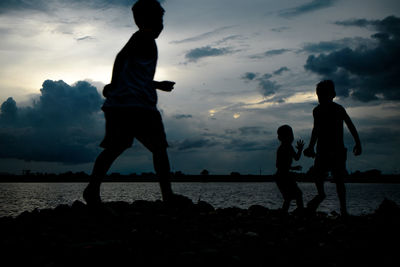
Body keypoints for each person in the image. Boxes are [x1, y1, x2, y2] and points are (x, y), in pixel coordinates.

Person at [83, 0, 179, 206]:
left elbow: (134, 74)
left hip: (130, 104)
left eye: (161, 20)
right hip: (133, 105)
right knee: (157, 148)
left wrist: (157, 84)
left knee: (118, 148)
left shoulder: (145, 41)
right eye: (157, 20)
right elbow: (121, 59)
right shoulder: (141, 38)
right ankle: (168, 196)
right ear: (141, 21)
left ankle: (92, 189)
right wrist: (113, 83)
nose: (161, 25)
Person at [303, 80, 362, 216]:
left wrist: (358, 143)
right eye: (319, 96)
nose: (321, 99)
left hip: (337, 150)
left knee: (339, 180)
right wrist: (311, 147)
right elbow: (315, 130)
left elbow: (350, 125)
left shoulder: (338, 109)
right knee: (318, 176)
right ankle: (321, 194)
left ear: (333, 95)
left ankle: (343, 209)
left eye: (324, 96)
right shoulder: (317, 111)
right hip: (322, 150)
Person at [275, 125, 304, 212]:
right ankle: (300, 212)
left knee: (290, 197)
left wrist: (300, 150)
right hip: (282, 176)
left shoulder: (289, 147)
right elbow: (278, 165)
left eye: (292, 135)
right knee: (295, 195)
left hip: (285, 175)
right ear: (282, 137)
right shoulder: (282, 149)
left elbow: (296, 158)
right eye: (290, 135)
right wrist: (292, 168)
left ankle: (293, 213)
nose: (292, 137)